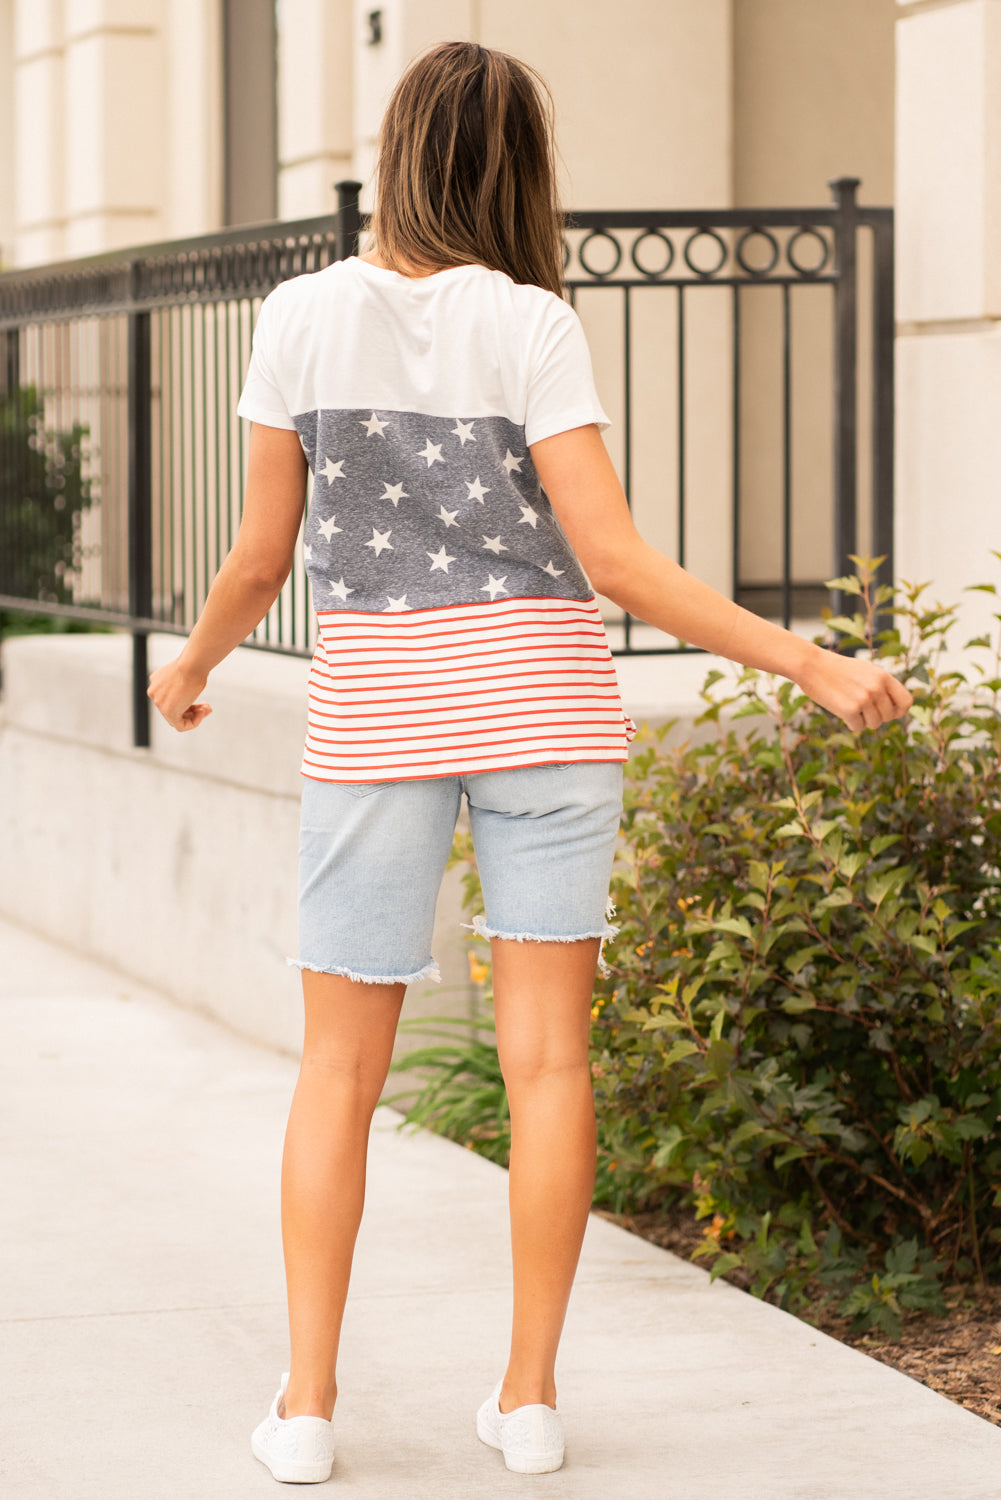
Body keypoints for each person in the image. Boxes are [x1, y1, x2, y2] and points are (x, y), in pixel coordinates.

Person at [147, 39, 912, 1485]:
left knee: (336, 1073)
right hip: (547, 706)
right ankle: (530, 1398)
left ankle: (306, 1409)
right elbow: (612, 559)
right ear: (520, 172)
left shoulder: (300, 314)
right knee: (550, 1063)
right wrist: (809, 659)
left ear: (393, 153)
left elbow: (260, 558)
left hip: (379, 714)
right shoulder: (533, 325)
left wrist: (190, 666)